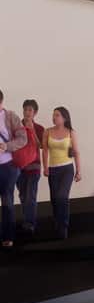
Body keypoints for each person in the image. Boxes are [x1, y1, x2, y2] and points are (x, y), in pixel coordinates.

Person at [44, 106, 82, 239]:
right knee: (54, 199)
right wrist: (45, 167)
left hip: (66, 169)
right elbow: (45, 151)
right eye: (53, 115)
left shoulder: (71, 132)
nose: (54, 117)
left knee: (61, 197)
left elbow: (76, 152)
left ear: (64, 118)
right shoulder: (47, 131)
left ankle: (63, 226)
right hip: (53, 169)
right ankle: (57, 221)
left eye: (57, 115)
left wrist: (79, 171)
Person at [0, 89, 30, 248]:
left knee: (7, 202)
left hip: (8, 167)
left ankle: (8, 236)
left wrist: (7, 146)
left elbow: (22, 138)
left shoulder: (11, 116)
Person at [17, 100, 45, 234]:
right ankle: (27, 220)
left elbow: (41, 146)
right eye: (25, 109)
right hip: (19, 167)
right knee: (22, 195)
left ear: (35, 113)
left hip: (34, 166)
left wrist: (32, 130)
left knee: (30, 196)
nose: (27, 112)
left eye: (30, 110)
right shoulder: (16, 126)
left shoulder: (39, 128)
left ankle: (30, 224)